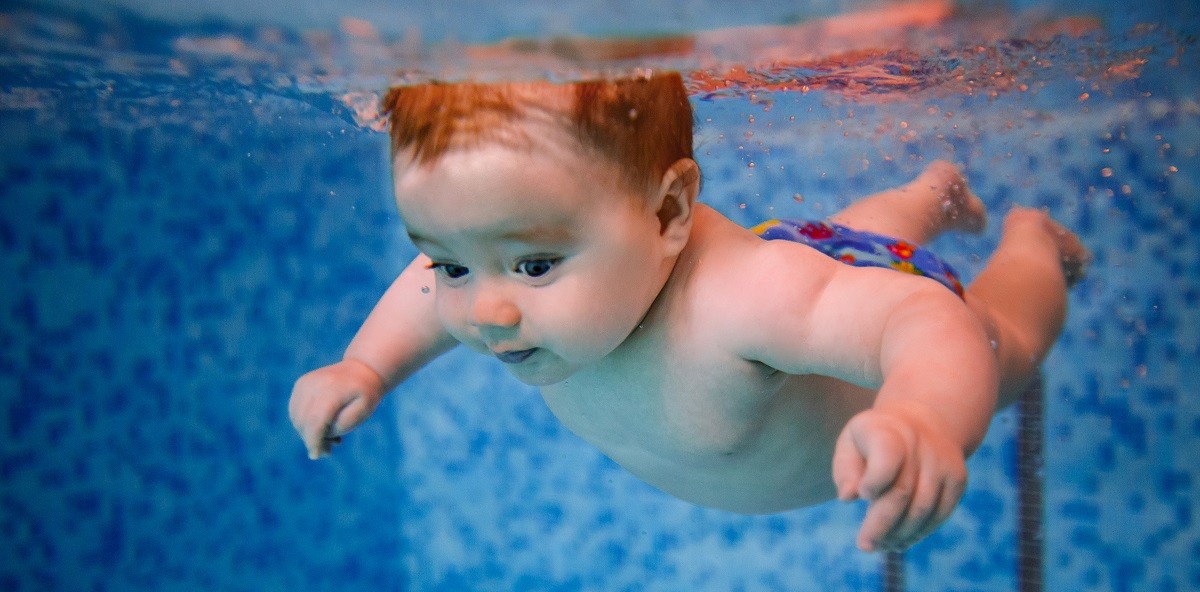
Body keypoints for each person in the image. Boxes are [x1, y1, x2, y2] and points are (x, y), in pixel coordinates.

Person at [288, 72, 1088, 553]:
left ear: (669, 211)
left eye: (534, 264)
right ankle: (926, 195)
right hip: (810, 258)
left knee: (1005, 342)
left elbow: (919, 321)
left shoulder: (737, 301)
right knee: (847, 245)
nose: (482, 309)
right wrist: (366, 365)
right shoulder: (511, 292)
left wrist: (924, 414)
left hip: (845, 300)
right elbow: (425, 293)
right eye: (452, 261)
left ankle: (1033, 246)